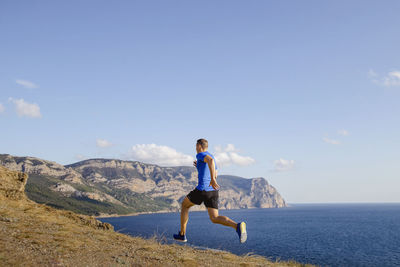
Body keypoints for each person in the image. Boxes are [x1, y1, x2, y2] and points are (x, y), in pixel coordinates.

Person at [173, 138, 247, 243]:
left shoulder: (200, 154)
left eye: (196, 146)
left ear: (199, 146)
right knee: (215, 218)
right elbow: (214, 170)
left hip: (202, 190)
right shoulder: (212, 156)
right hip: (213, 191)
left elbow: (210, 163)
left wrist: (212, 179)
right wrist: (200, 167)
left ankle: (182, 234)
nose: (195, 148)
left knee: (184, 205)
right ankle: (237, 226)